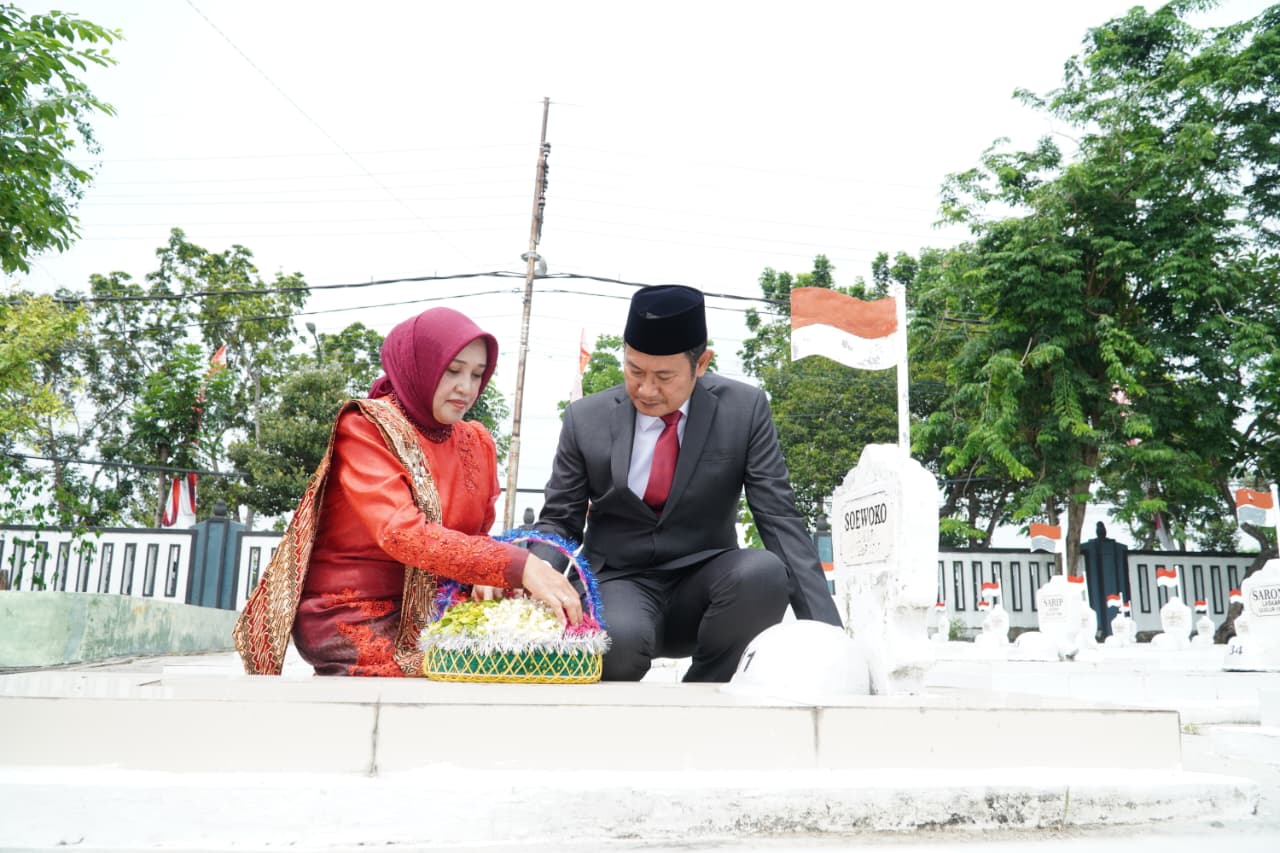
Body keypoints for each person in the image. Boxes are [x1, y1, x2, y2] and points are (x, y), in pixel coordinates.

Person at [233, 307, 581, 677]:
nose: (467, 387)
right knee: (463, 666)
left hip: (439, 604)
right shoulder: (366, 429)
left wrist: (487, 579)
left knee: (537, 638)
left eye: (478, 374)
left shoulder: (476, 440)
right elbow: (402, 534)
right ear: (420, 365)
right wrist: (517, 565)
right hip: (354, 612)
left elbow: (476, 536)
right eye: (453, 370)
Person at [532, 285, 841, 682]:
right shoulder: (584, 419)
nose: (646, 390)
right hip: (619, 583)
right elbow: (559, 520)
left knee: (763, 572)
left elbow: (778, 518)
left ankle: (708, 696)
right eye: (635, 370)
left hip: (708, 583)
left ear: (701, 363)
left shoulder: (744, 411)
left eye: (664, 377)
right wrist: (536, 573)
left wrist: (829, 636)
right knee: (616, 644)